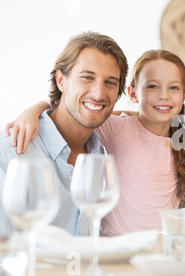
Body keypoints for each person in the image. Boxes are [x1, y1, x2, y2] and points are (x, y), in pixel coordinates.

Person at [4, 50, 185, 236]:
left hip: (160, 249)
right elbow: (78, 110)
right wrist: (33, 110)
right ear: (133, 93)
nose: (164, 95)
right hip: (114, 248)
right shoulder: (118, 128)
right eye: (152, 86)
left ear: (184, 93)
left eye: (174, 87)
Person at [0, 31, 129, 237]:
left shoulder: (102, 153)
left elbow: (155, 115)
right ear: (61, 80)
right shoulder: (11, 150)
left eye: (110, 82)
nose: (98, 94)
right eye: (87, 77)